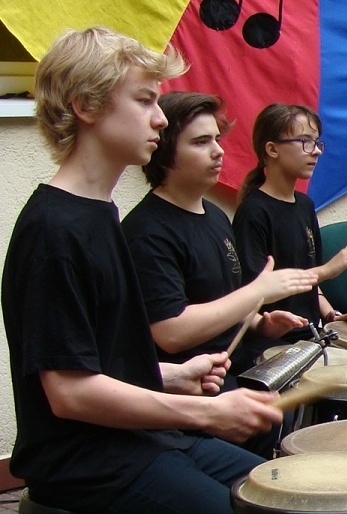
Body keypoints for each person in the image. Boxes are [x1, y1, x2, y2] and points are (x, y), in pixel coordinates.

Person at [2, 26, 284, 513]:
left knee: (288, 491)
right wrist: (207, 412)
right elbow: (69, 393)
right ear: (86, 106)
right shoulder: (53, 230)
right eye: (145, 101)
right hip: (89, 464)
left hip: (140, 441)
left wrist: (173, 376)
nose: (159, 120)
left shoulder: (99, 212)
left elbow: (95, 361)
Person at [121, 92, 318, 457]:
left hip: (230, 372)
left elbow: (223, 301)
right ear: (163, 151)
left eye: (217, 139)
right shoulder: (147, 231)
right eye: (200, 142)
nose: (218, 151)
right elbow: (171, 333)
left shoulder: (215, 218)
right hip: (188, 394)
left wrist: (260, 321)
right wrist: (258, 291)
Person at [233, 103, 347, 359]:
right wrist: (329, 269)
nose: (316, 151)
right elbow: (251, 292)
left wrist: (332, 316)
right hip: (269, 345)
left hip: (309, 338)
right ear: (272, 149)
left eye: (318, 142)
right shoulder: (253, 212)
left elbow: (312, 285)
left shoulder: (305, 205)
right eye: (305, 142)